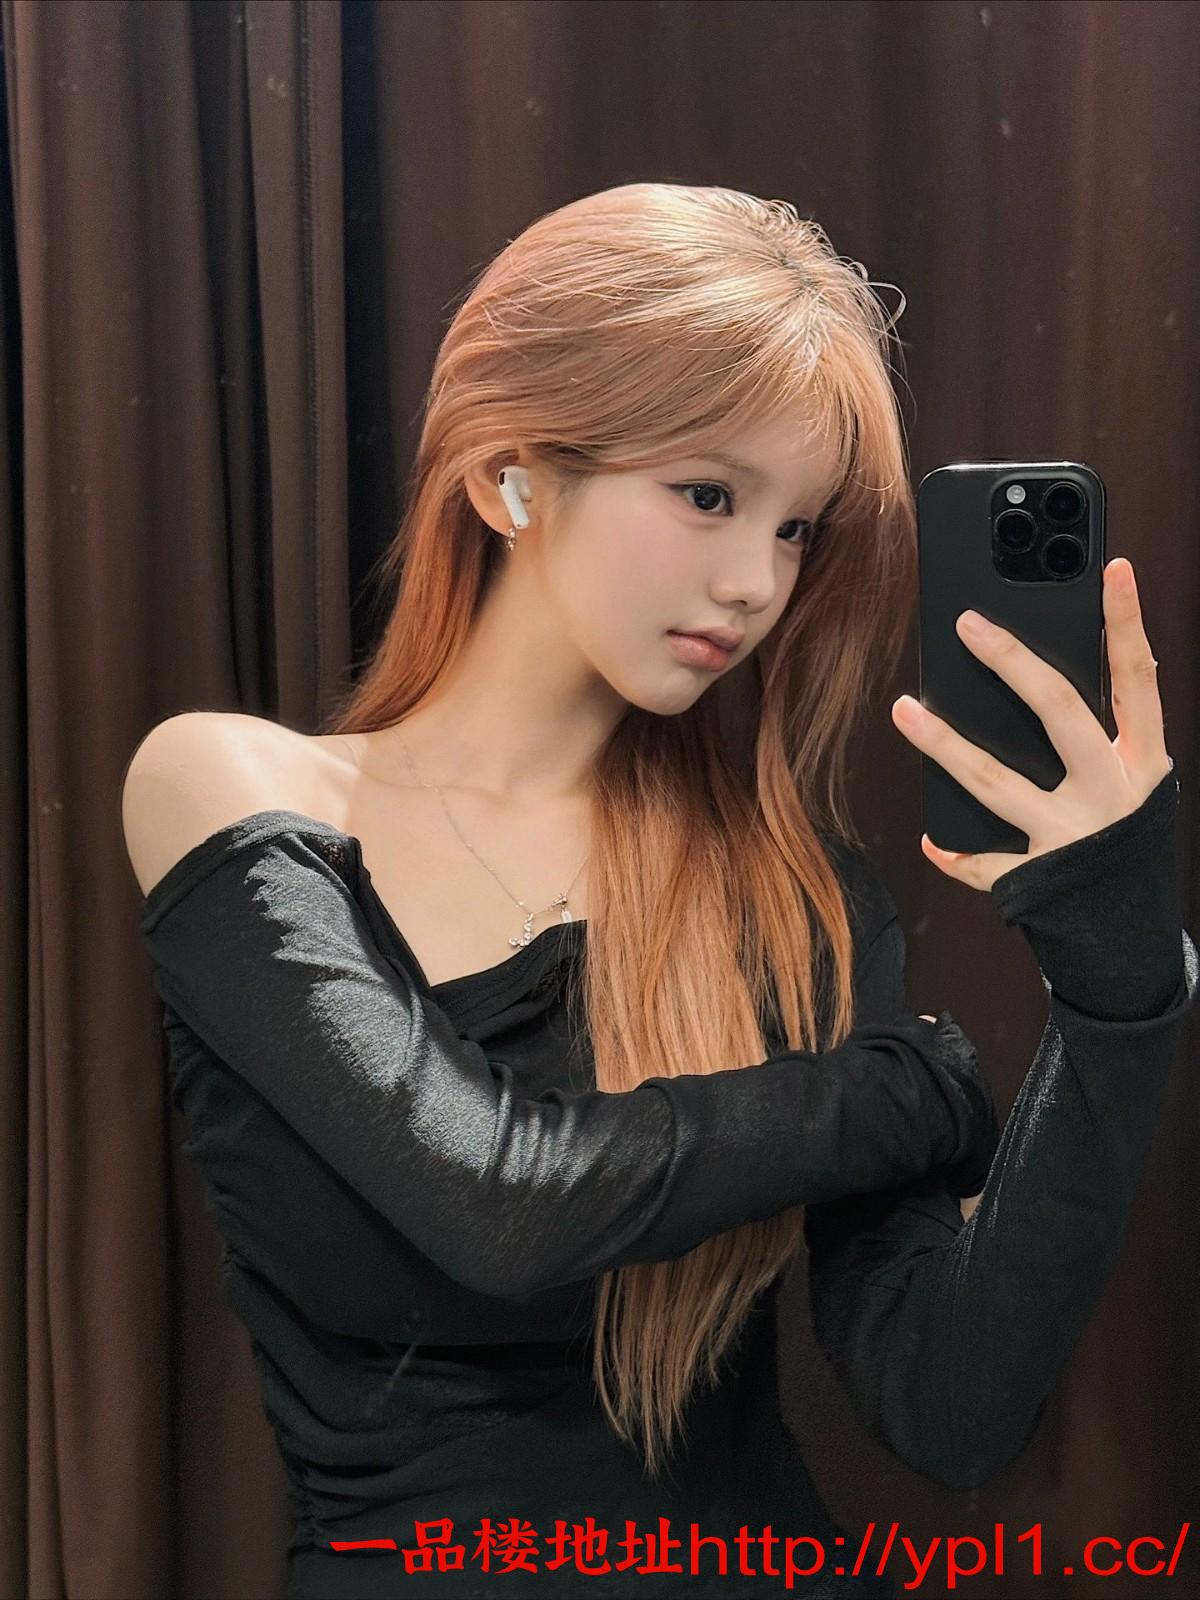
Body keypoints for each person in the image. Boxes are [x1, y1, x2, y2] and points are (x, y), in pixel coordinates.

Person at [123, 183, 1196, 1599]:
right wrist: (910, 1093)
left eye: (798, 528)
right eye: (708, 495)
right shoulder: (232, 791)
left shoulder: (789, 905)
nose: (756, 583)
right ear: (509, 475)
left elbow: (950, 1409)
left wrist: (1118, 990)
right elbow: (501, 1204)